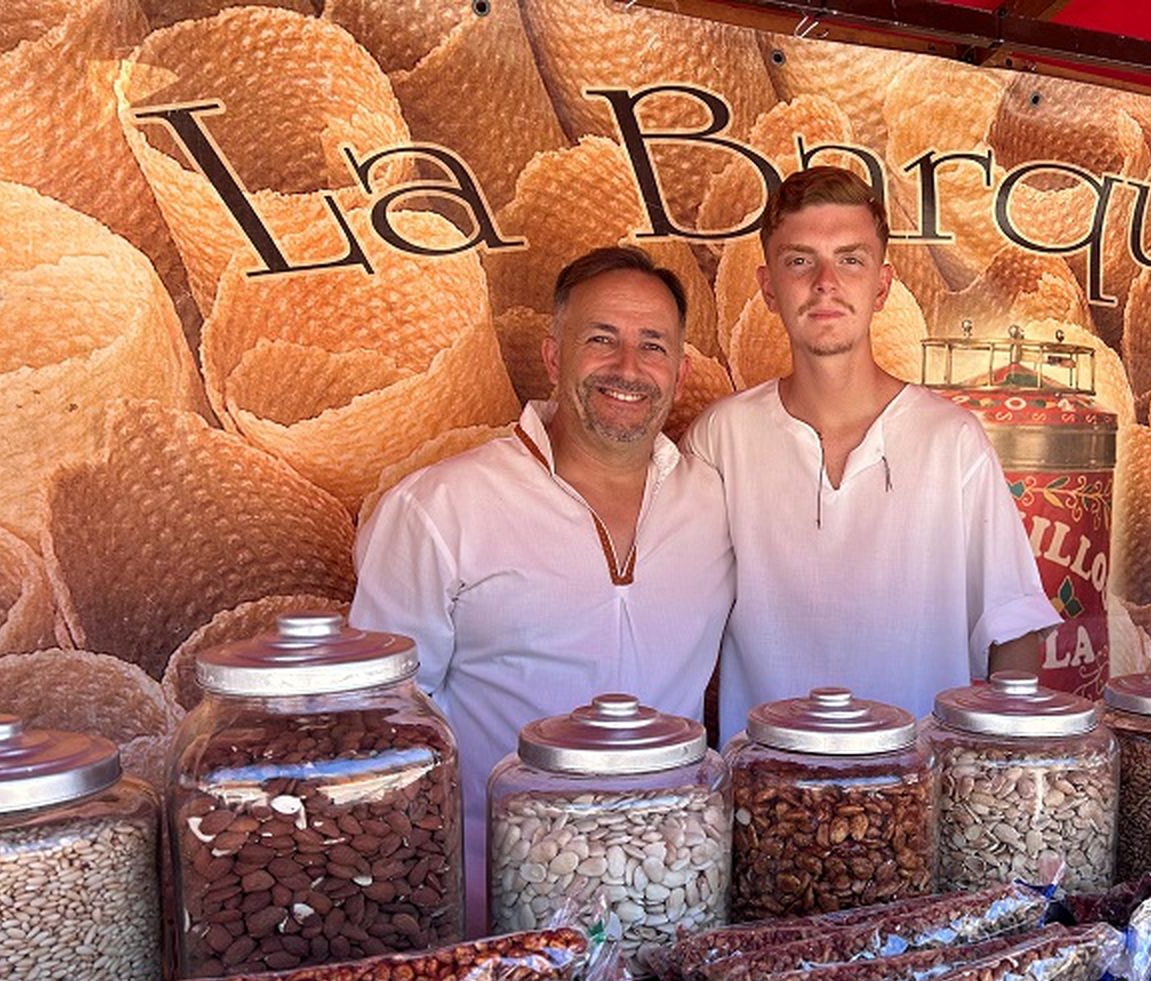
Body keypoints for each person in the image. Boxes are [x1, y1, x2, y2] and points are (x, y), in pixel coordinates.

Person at [352, 246, 733, 929]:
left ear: (679, 370)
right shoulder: (440, 508)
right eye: (601, 339)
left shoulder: (718, 502)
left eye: (653, 345)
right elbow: (387, 731)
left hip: (670, 899)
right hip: (493, 909)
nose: (628, 367)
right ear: (554, 356)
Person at [684, 166, 1057, 741]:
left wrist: (995, 769)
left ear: (881, 287)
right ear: (767, 286)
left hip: (916, 791)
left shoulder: (950, 440)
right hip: (768, 789)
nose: (826, 282)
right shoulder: (721, 438)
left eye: (851, 259)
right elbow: (676, 613)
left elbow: (1011, 627)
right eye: (800, 260)